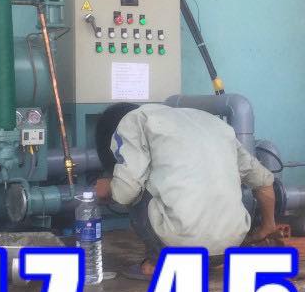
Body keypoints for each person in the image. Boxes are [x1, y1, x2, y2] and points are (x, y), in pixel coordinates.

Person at [92, 102, 278, 278]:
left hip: (179, 247)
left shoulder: (132, 121)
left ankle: (156, 263)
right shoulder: (214, 124)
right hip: (231, 247)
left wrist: (109, 187)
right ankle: (213, 261)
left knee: (137, 184)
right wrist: (268, 225)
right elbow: (264, 182)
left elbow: (126, 191)